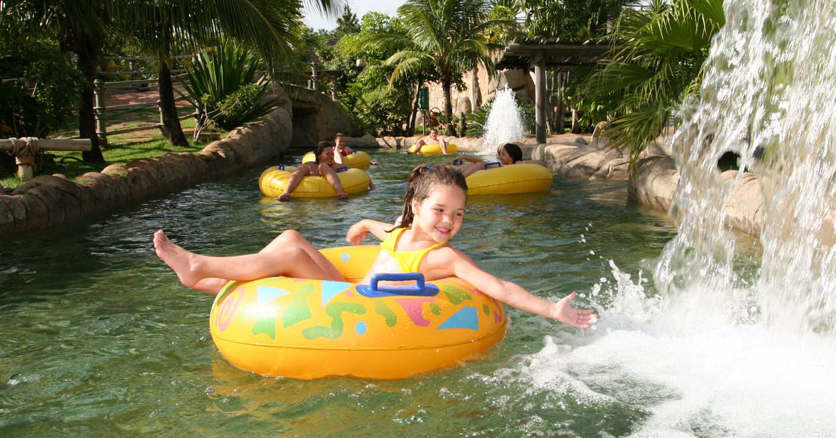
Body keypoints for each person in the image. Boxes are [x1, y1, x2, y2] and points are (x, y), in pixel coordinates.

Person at [153, 165, 596, 329]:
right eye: (441, 210)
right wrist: (364, 222)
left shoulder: (445, 258)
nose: (449, 222)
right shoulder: (402, 231)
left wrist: (550, 309)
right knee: (290, 237)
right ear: (418, 206)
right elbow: (387, 232)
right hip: (347, 287)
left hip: (352, 303)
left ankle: (199, 267)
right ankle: (210, 282)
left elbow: (497, 285)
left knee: (288, 254)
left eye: (459, 215)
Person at [277, 141, 375, 201]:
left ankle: (340, 192)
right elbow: (296, 173)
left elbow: (357, 171)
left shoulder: (335, 166)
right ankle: (286, 192)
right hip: (309, 204)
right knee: (303, 167)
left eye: (332, 154)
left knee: (323, 166)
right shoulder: (310, 165)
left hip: (325, 202)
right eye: (327, 154)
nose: (331, 157)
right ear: (319, 155)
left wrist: (372, 186)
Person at [453, 143, 534, 177]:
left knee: (479, 165)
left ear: (512, 157)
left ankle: (459, 178)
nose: (500, 156)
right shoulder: (503, 165)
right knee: (474, 164)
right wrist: (465, 157)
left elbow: (525, 162)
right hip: (497, 171)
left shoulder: (516, 164)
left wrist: (544, 163)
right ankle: (453, 174)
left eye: (503, 154)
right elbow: (482, 161)